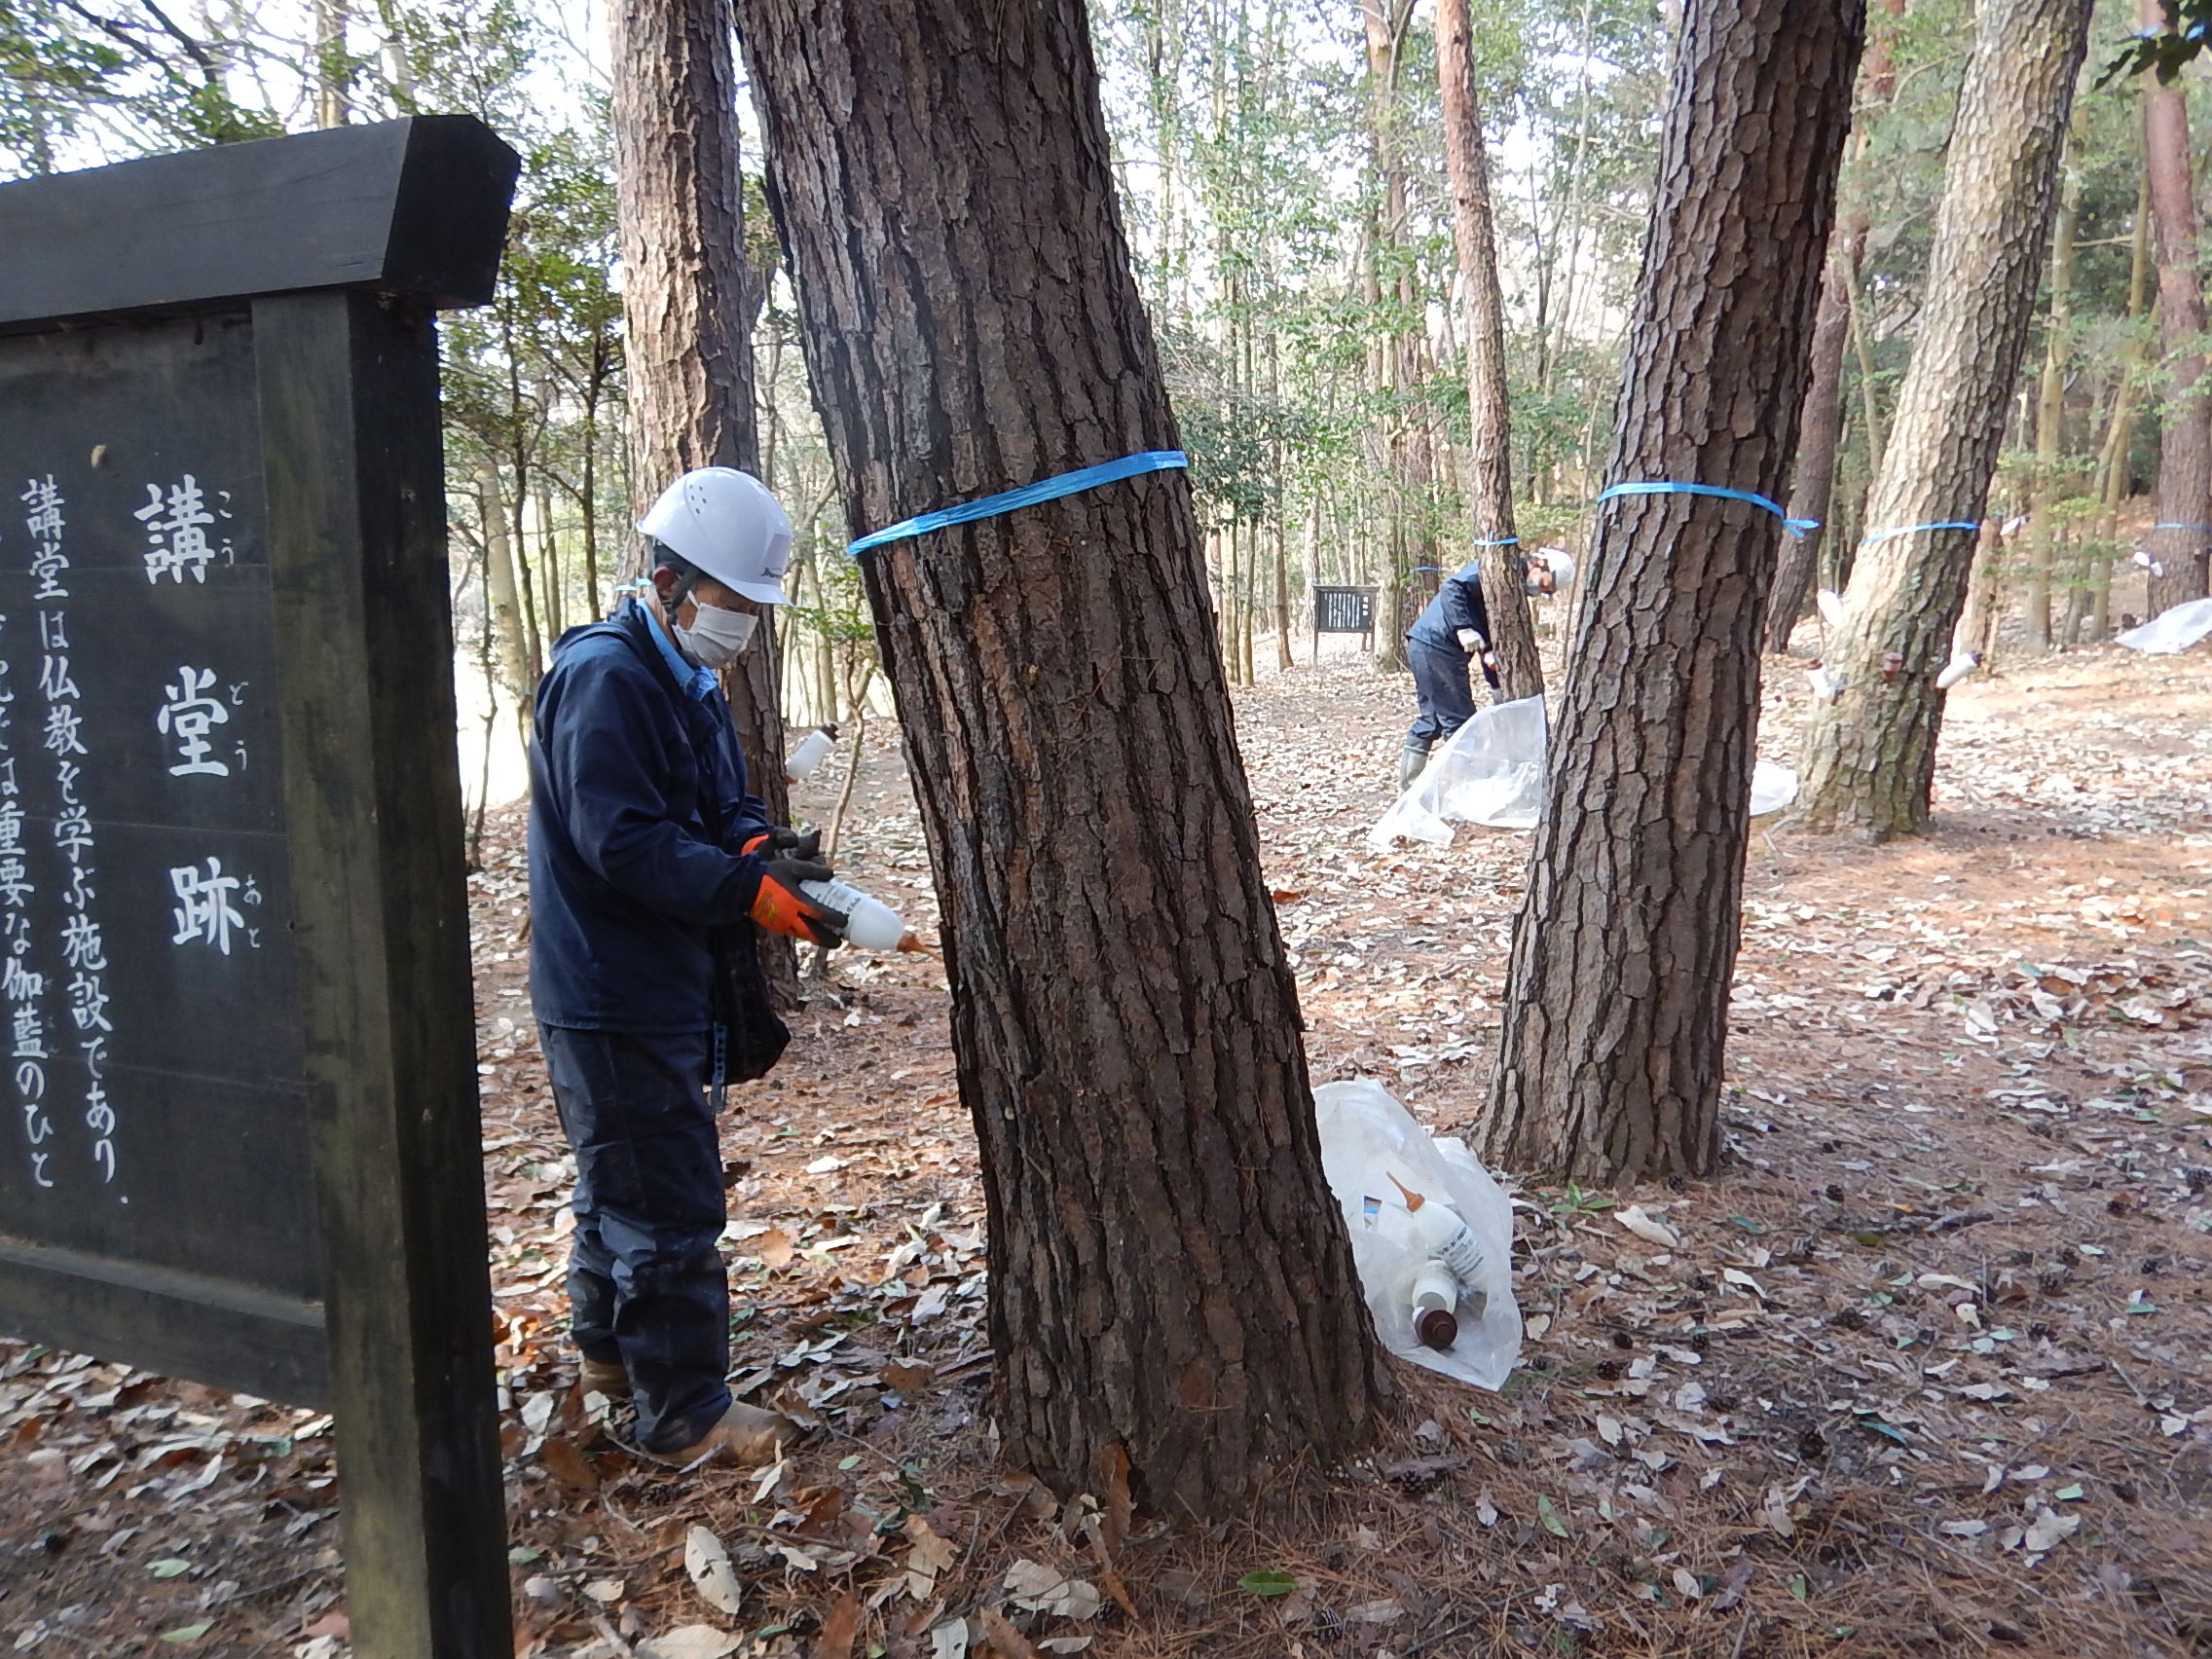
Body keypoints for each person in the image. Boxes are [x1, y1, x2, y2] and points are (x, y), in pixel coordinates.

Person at [528, 465, 846, 1466]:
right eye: (730, 600)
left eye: (754, 606)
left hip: (658, 977)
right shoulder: (606, 678)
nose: (741, 622)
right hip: (610, 988)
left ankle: (610, 1361)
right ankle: (684, 1414)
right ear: (668, 580)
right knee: (663, 1199)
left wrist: (759, 849)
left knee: (615, 1187)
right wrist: (744, 894)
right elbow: (618, 840)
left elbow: (717, 807)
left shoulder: (690, 680)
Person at [1398, 546, 1574, 790]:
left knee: (1433, 721)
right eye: (1545, 585)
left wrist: (1497, 688)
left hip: (1427, 645)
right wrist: (1463, 628)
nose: (1540, 591)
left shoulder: (1512, 589)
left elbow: (1489, 629)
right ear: (1539, 563)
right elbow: (1453, 587)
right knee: (1460, 723)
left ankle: (1408, 789)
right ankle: (1463, 790)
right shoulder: (1498, 569)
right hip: (1437, 646)